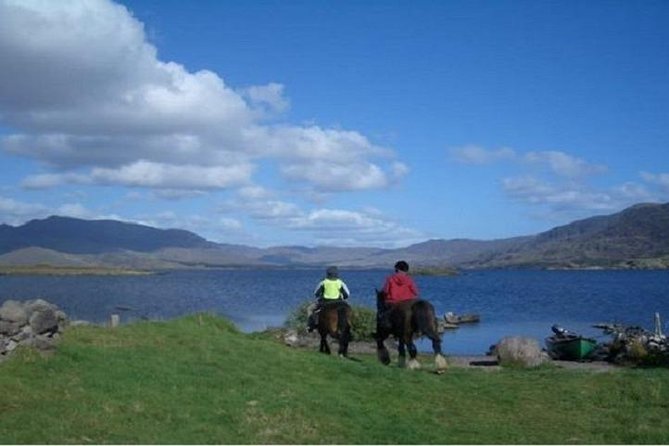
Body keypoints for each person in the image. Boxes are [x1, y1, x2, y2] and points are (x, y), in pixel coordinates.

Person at [307, 266, 350, 332]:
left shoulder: (323, 282)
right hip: (339, 301)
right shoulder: (340, 282)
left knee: (310, 309)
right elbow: (347, 294)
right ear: (337, 274)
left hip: (325, 302)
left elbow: (316, 293)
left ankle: (311, 326)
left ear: (327, 274)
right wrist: (343, 298)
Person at [378, 260, 418, 330]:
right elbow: (415, 292)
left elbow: (385, 291)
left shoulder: (390, 279)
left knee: (383, 314)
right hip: (409, 303)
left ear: (397, 269)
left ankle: (385, 327)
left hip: (393, 302)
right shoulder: (409, 279)